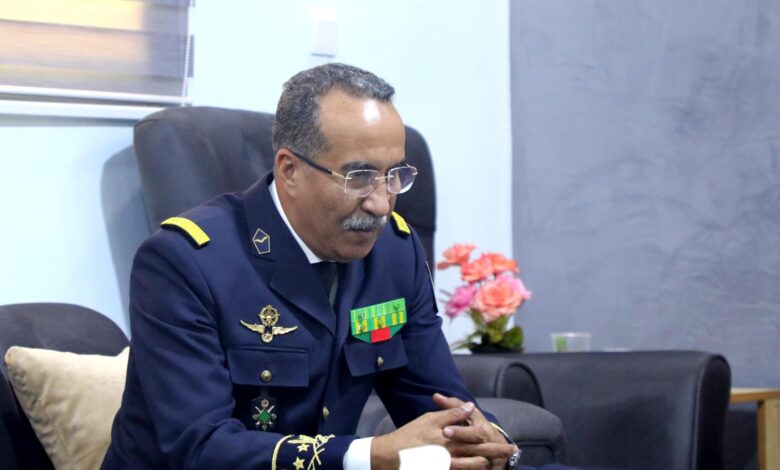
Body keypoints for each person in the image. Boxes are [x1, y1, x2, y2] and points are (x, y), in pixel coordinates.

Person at [103, 63, 559, 470]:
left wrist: (489, 443)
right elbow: (199, 448)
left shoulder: (394, 252)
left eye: (394, 176)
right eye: (359, 177)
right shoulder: (185, 261)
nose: (381, 203)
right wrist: (371, 456)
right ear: (289, 170)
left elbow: (438, 402)